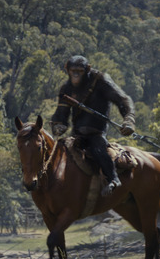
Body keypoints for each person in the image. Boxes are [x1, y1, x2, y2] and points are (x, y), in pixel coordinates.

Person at [50, 55, 135, 196]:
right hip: (77, 134)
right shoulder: (66, 89)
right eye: (73, 71)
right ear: (67, 70)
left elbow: (123, 100)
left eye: (79, 71)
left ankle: (113, 179)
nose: (76, 75)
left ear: (87, 69)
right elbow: (61, 113)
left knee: (98, 149)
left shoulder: (100, 80)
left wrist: (129, 119)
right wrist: (58, 126)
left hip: (97, 131)